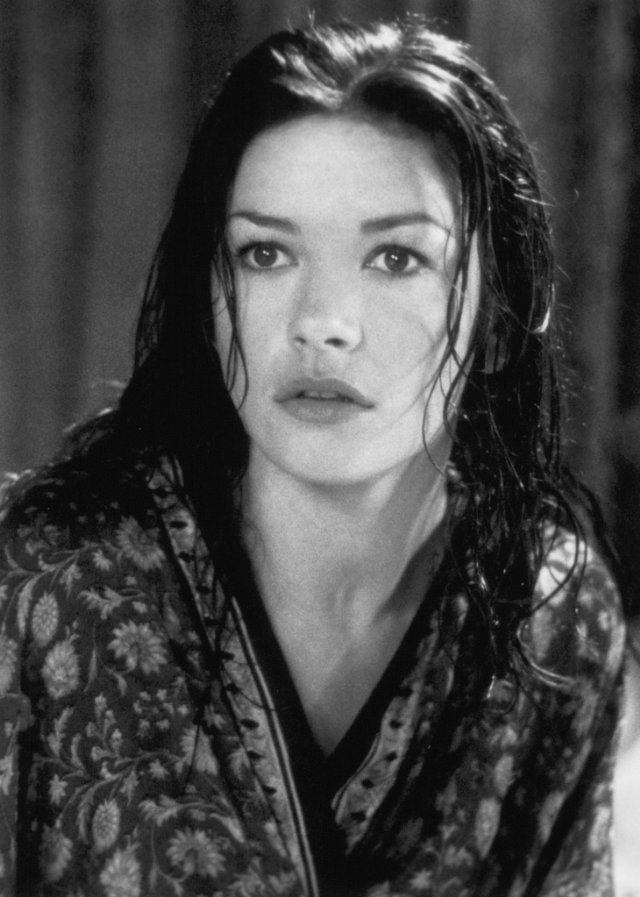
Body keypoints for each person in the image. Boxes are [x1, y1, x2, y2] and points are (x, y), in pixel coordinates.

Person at [0, 16, 626, 897]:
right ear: (212, 297)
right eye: (265, 253)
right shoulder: (43, 580)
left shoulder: (554, 618)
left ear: (496, 317)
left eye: (397, 257)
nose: (322, 321)